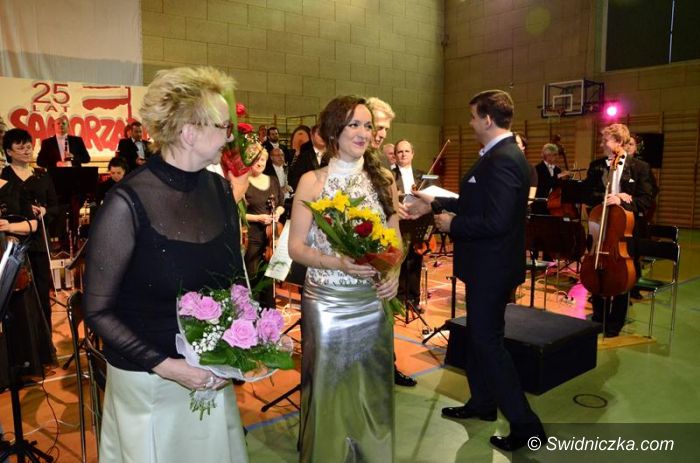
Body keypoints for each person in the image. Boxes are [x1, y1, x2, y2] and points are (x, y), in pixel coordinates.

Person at [83, 66, 249, 462]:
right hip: (150, 383)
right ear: (189, 132)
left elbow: (233, 282)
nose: (230, 136)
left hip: (211, 373)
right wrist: (170, 368)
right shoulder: (125, 203)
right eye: (223, 127)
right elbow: (98, 311)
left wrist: (243, 344)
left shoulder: (220, 190)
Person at [407, 90, 545, 452]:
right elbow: (475, 201)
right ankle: (482, 403)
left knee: (488, 343)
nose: (469, 123)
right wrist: (433, 204)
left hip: (491, 268)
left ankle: (526, 425)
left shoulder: (503, 159)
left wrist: (453, 224)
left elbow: (496, 220)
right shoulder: (499, 155)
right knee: (479, 338)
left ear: (487, 119)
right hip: (488, 266)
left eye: (472, 117)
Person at [288, 96, 401, 462]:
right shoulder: (312, 181)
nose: (364, 132)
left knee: (372, 387)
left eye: (368, 126)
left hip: (373, 300)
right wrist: (337, 262)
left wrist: (394, 273)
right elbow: (295, 248)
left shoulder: (383, 179)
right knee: (329, 386)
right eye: (355, 124)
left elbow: (395, 239)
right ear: (334, 130)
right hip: (327, 302)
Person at [583, 123, 654, 337]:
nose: (602, 144)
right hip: (600, 227)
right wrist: (607, 197)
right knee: (596, 266)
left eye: (606, 140)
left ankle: (616, 321)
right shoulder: (597, 166)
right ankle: (598, 317)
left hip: (625, 231)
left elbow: (646, 200)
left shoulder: (640, 168)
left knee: (623, 275)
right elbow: (587, 194)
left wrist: (624, 201)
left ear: (619, 142)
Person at [365, 97, 417, 388]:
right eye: (378, 126)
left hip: (381, 260)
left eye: (386, 129)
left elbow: (392, 222)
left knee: (384, 318)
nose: (382, 134)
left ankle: (387, 365)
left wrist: (394, 269)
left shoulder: (385, 173)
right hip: (351, 265)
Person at [0, 129, 57, 387]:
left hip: (38, 243)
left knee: (43, 296)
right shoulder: (4, 177)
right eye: (20, 147)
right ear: (9, 151)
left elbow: (56, 207)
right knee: (20, 303)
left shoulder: (42, 175)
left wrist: (44, 210)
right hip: (13, 246)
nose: (26, 150)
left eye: (28, 145)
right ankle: (24, 356)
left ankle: (45, 352)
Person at [244, 150, 284, 309]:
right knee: (253, 278)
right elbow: (237, 213)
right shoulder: (243, 182)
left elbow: (281, 204)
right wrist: (258, 218)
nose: (259, 163)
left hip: (271, 237)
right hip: (253, 237)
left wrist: (277, 213)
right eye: (255, 160)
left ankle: (269, 315)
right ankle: (252, 315)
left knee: (269, 279)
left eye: (262, 159)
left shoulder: (272, 180)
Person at [287, 124, 327, 192]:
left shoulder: (335, 155)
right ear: (312, 137)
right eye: (319, 134)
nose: (323, 136)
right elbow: (294, 180)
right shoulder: (304, 157)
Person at [532, 143, 569, 215]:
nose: (557, 157)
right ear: (547, 155)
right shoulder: (538, 168)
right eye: (555, 155)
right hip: (540, 204)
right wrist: (558, 176)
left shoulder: (557, 169)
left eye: (556, 155)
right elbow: (543, 185)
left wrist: (565, 180)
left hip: (554, 203)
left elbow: (557, 187)